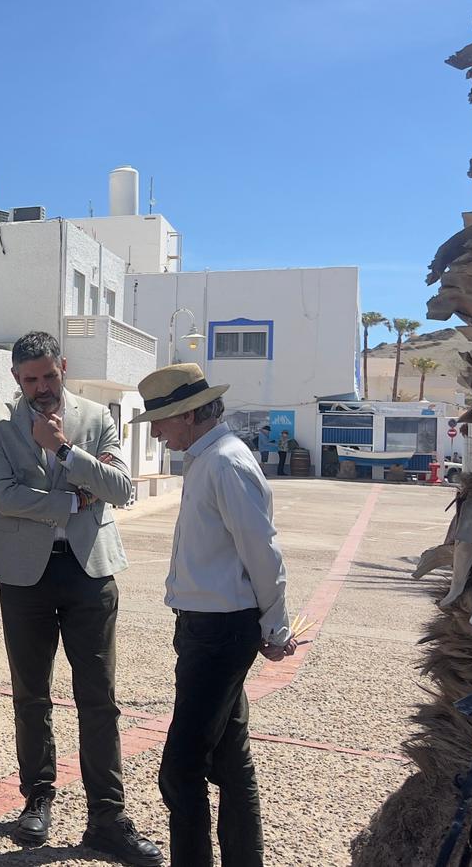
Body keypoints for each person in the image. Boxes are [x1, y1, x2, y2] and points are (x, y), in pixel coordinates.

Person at [0, 330, 164, 867]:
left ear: (63, 366)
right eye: (29, 379)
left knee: (99, 697)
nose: (40, 387)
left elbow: (121, 490)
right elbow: (3, 495)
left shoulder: (97, 417)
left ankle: (107, 816)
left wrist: (62, 448)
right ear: (16, 378)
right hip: (24, 575)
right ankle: (37, 797)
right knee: (31, 694)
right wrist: (77, 500)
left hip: (89, 572)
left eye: (48, 375)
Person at [133, 363, 296, 867]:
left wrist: (276, 626)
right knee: (229, 761)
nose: (155, 433)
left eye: (160, 421)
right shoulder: (210, 459)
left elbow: (262, 551)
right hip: (207, 628)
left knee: (181, 769)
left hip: (220, 633)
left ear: (188, 414)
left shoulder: (225, 462)